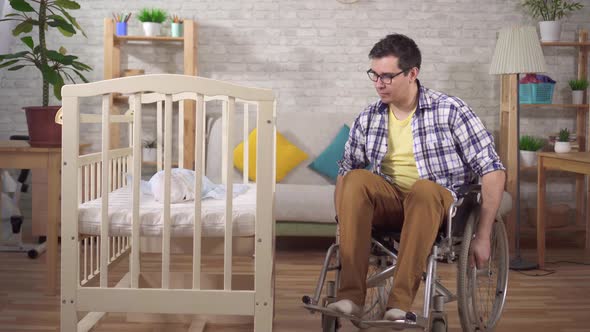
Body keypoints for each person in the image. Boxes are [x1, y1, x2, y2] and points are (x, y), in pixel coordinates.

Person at [327, 34, 506, 321]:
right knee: (355, 178)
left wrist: (483, 235)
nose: (378, 83)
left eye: (387, 76)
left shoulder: (451, 110)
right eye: (374, 75)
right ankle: (350, 298)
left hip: (439, 204)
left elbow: (492, 169)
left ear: (412, 74)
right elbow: (346, 170)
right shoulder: (368, 117)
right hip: (390, 202)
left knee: (424, 190)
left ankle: (399, 303)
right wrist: (342, 223)